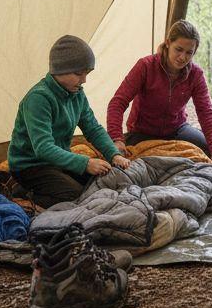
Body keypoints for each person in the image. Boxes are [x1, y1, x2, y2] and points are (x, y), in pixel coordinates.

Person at [8, 34, 131, 208]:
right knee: (76, 196)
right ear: (59, 70)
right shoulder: (38, 98)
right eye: (78, 74)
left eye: (87, 74)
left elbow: (93, 128)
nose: (84, 80)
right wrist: (85, 163)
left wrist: (114, 154)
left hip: (57, 160)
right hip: (31, 165)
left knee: (101, 181)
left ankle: (48, 185)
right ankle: (25, 192)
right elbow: (43, 148)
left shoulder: (77, 93)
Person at [108, 20, 212, 169]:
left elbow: (206, 112)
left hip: (177, 129)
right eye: (179, 49)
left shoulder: (196, 74)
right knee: (137, 164)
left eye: (189, 52)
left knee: (210, 152)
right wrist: (116, 138)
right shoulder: (145, 66)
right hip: (142, 132)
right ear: (167, 43)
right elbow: (117, 103)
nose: (183, 57)